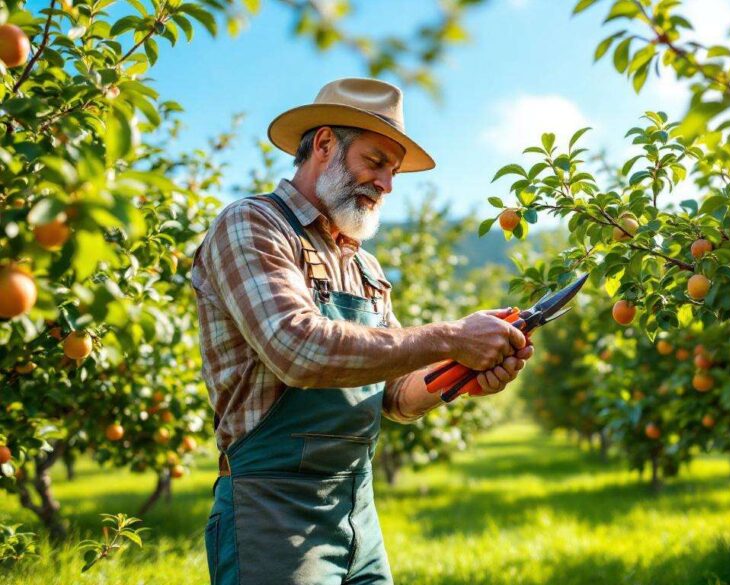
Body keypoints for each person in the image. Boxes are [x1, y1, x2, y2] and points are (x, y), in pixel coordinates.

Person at [191, 78, 534, 585]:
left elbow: (395, 395)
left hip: (356, 508)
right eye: (375, 163)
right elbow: (298, 348)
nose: (387, 185)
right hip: (272, 510)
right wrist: (451, 337)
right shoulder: (253, 225)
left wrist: (460, 375)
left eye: (393, 172)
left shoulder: (365, 265)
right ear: (325, 144)